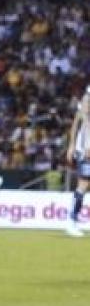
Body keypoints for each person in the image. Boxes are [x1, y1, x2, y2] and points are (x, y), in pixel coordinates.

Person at [65, 87, 90, 237]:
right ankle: (71, 221)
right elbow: (79, 123)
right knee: (83, 184)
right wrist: (73, 145)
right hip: (86, 150)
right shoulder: (86, 102)